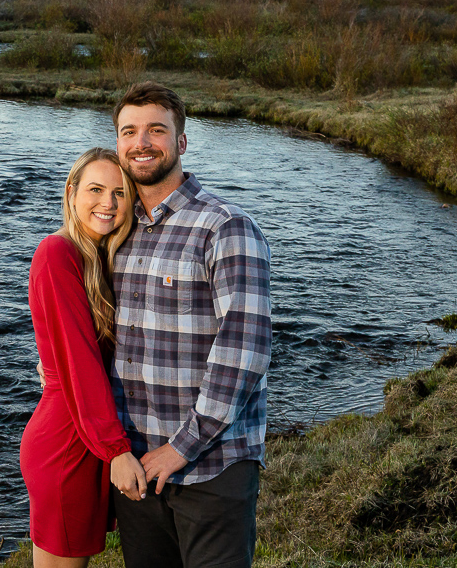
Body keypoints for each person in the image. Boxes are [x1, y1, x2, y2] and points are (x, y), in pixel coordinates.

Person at [109, 81, 272, 568]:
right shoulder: (115, 231)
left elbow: (245, 349)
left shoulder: (225, 226)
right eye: (129, 132)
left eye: (156, 130)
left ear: (181, 142)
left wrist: (180, 448)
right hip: (137, 469)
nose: (141, 143)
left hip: (211, 468)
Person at [21, 148, 149, 568]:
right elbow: (78, 360)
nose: (108, 204)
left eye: (119, 192)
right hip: (66, 441)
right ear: (71, 192)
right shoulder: (56, 253)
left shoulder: (100, 254)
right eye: (96, 190)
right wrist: (116, 450)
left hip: (88, 431)